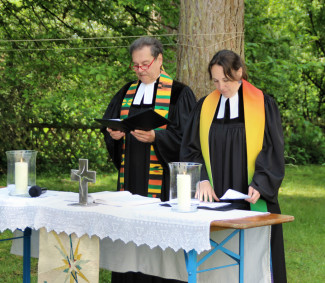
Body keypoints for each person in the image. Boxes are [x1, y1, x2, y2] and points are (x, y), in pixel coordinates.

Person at [180, 49, 287, 283]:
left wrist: (261, 183)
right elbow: (190, 148)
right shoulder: (205, 107)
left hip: (250, 194)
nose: (221, 87)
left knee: (254, 258)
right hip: (216, 196)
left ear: (239, 72)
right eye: (216, 80)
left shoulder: (263, 104)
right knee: (216, 261)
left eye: (226, 80)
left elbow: (273, 149)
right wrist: (202, 179)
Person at [101, 36, 196, 283]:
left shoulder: (179, 94)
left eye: (145, 64)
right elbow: (110, 125)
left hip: (161, 186)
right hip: (130, 180)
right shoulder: (126, 92)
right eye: (135, 65)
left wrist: (157, 137)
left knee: (159, 245)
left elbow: (188, 139)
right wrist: (115, 134)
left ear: (160, 59)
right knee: (128, 241)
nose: (140, 70)